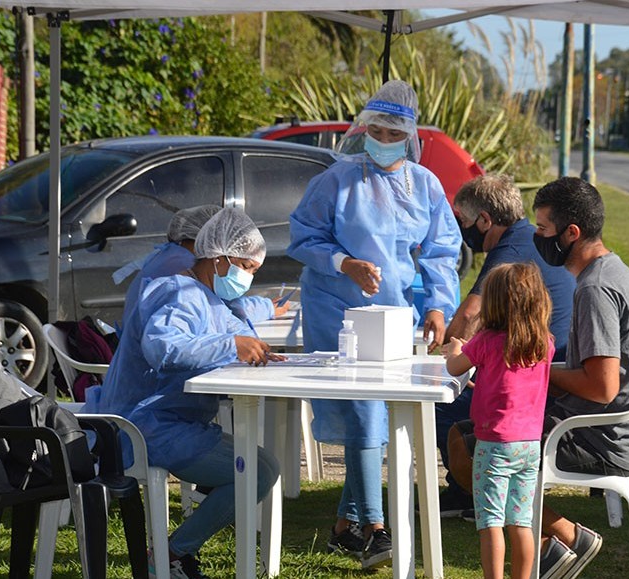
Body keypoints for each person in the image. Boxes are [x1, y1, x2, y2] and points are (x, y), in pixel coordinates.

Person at [287, 79, 462, 569]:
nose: (383, 140)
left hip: (394, 316)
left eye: (392, 133)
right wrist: (344, 263)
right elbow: (302, 238)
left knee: (374, 414)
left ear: (409, 136)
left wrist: (437, 306)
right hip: (335, 309)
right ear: (363, 128)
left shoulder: (425, 185)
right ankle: (375, 525)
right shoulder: (336, 180)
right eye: (377, 130)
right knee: (363, 410)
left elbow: (442, 252)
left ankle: (346, 525)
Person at [84, 207, 282, 579]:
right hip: (146, 426)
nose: (249, 277)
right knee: (254, 473)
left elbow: (231, 330)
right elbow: (163, 349)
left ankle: (174, 552)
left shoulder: (206, 295)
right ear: (219, 257)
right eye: (246, 266)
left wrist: (247, 346)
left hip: (172, 421)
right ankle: (172, 554)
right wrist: (232, 345)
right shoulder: (178, 291)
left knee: (263, 467)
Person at [532, 177, 629, 579]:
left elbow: (602, 386)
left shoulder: (596, 289)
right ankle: (553, 545)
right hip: (607, 427)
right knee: (465, 438)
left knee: (478, 452)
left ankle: (565, 538)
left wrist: (541, 374)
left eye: (542, 229)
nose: (537, 237)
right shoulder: (612, 270)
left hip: (601, 437)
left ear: (571, 233)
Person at [435, 174, 576, 518]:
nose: (464, 231)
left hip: (533, 388)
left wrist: (444, 348)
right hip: (549, 365)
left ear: (484, 220)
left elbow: (470, 316)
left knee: (440, 409)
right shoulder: (531, 238)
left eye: (465, 222)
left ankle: (465, 489)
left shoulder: (509, 253)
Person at [443, 262, 554, 579]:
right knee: (521, 521)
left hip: (494, 445)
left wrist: (455, 348)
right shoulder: (544, 342)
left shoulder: (487, 340)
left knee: (490, 521)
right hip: (530, 445)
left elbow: (455, 367)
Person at [116, 204, 288, 330]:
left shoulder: (171, 256)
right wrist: (233, 344)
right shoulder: (183, 270)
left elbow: (222, 313)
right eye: (245, 266)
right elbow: (222, 312)